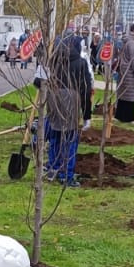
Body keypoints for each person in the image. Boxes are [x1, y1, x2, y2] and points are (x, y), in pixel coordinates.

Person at [45, 32, 91, 186]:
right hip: (72, 99)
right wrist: (87, 115)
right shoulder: (80, 63)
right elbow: (85, 89)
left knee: (55, 135)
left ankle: (53, 167)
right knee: (70, 138)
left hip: (53, 97)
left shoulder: (52, 61)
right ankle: (66, 175)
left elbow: (38, 82)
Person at [115, 22, 134, 123]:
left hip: (125, 72)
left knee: (124, 95)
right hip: (130, 74)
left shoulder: (128, 41)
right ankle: (128, 118)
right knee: (130, 96)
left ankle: (120, 116)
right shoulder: (132, 43)